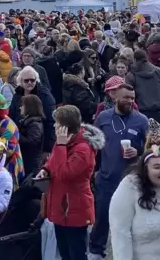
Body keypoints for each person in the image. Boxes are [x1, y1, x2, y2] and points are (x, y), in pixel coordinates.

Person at [90, 81, 148, 259]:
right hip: (107, 177)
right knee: (101, 217)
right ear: (115, 97)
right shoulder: (103, 118)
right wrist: (94, 170)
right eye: (126, 98)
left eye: (132, 98)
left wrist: (137, 151)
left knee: (131, 220)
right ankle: (95, 251)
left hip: (132, 179)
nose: (130, 101)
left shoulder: (142, 120)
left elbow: (151, 149)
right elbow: (95, 146)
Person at [38, 105, 105, 260]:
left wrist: (61, 145)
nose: (54, 125)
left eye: (57, 123)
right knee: (64, 252)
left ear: (65, 126)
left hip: (74, 209)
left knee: (76, 253)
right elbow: (54, 162)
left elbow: (64, 174)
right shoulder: (63, 142)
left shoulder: (83, 149)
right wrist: (46, 170)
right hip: (59, 206)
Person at [8, 65, 56, 153]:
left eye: (32, 80)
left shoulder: (45, 95)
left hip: (38, 144)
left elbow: (51, 122)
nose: (29, 82)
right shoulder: (18, 94)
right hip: (19, 141)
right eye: (26, 80)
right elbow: (12, 115)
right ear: (21, 81)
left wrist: (48, 149)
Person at [125, 49, 160, 122]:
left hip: (141, 113)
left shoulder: (131, 75)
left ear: (135, 59)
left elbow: (128, 95)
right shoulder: (159, 71)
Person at [18, 94, 45, 177]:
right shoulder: (28, 121)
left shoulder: (35, 124)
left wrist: (17, 135)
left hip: (31, 163)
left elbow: (32, 142)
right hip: (27, 160)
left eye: (22, 105)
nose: (20, 108)